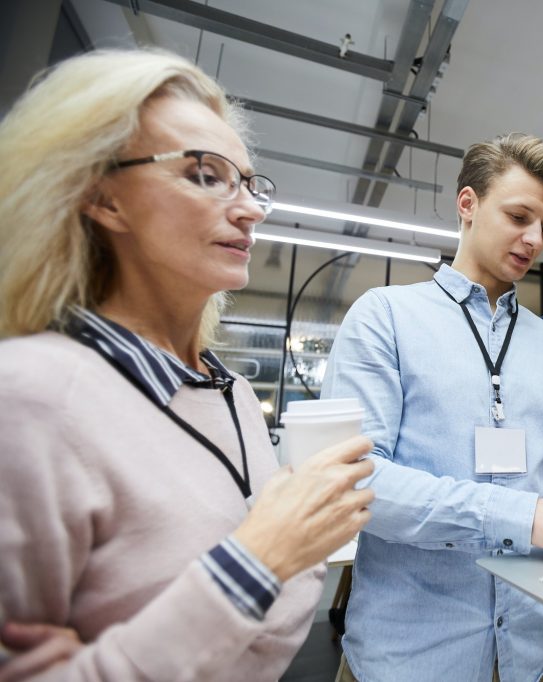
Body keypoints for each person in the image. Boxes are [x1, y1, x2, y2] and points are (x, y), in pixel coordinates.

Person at [0, 49, 374, 681]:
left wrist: (290, 543)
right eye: (204, 175)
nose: (251, 210)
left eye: (250, 183)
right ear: (102, 198)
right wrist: (259, 560)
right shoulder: (31, 396)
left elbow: (273, 627)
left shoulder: (222, 391)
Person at [321, 133, 543, 682]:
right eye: (518, 216)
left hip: (534, 653)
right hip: (410, 657)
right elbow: (356, 482)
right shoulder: (386, 317)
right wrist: (526, 516)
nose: (534, 239)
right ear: (467, 205)